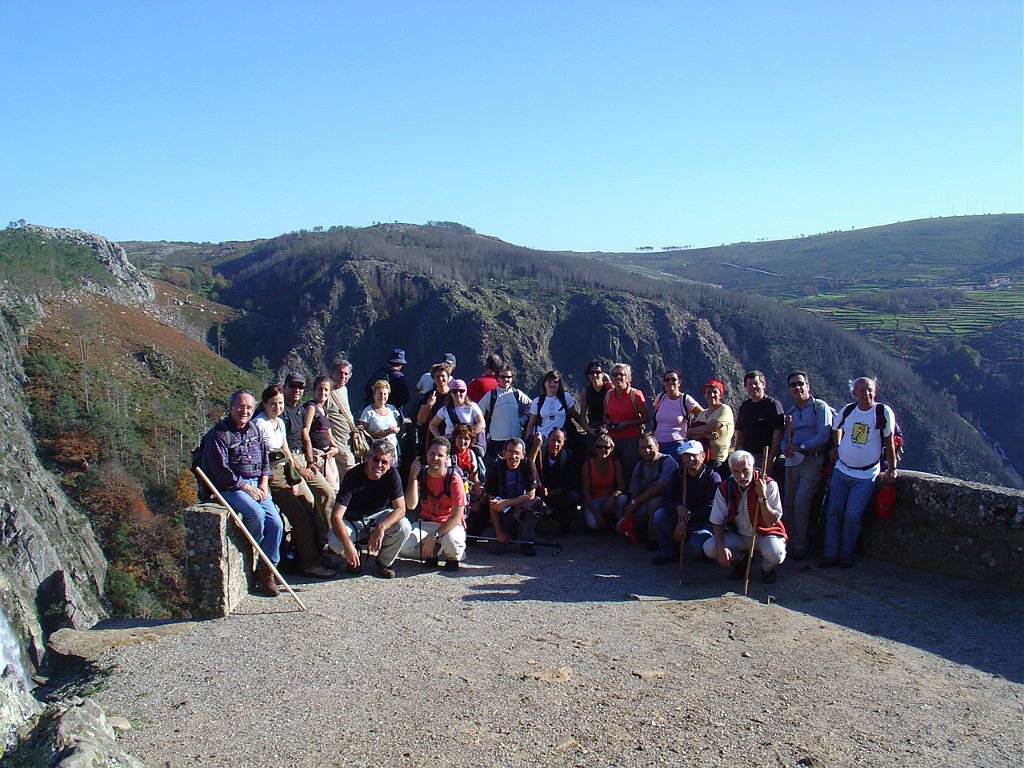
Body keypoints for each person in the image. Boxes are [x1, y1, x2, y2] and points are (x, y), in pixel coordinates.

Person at [202, 389, 284, 596]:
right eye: (240, 406)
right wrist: (245, 487)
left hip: (257, 483)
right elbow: (221, 471)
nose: (244, 411)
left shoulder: (254, 430)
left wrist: (263, 483)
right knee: (255, 514)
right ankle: (254, 553)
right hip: (230, 487)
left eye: (248, 407)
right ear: (231, 408)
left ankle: (267, 569)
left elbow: (266, 461)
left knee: (276, 523)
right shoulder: (219, 435)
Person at [254, 385, 335, 579]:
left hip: (285, 468)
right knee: (299, 516)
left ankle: (313, 554)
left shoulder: (278, 423)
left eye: (280, 403)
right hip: (271, 473)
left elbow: (286, 451)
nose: (277, 407)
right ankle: (310, 564)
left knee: (309, 507)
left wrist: (296, 474)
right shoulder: (259, 424)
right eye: (273, 404)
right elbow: (259, 456)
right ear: (264, 404)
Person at [820, 377, 898, 569]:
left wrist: (892, 467)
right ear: (854, 393)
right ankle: (830, 553)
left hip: (865, 474)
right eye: (861, 390)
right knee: (833, 512)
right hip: (841, 469)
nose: (866, 394)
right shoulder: (848, 410)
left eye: (869, 389)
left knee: (853, 514)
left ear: (876, 391)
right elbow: (836, 428)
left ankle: (846, 554)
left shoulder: (882, 412)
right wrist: (836, 447)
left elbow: (889, 442)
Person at [327, 439, 412, 579]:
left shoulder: (392, 475)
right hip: (353, 520)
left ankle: (384, 561)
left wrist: (382, 527)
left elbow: (401, 509)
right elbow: (336, 515)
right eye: (376, 459)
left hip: (379, 518)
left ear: (390, 465)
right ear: (368, 458)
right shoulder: (353, 475)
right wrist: (348, 545)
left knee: (404, 526)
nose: (379, 465)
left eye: (384, 462)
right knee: (335, 541)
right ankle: (353, 557)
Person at [703, 450, 787, 584]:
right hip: (737, 534)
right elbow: (717, 521)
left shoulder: (769, 485)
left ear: (753, 468)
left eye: (745, 470)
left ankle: (767, 569)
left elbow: (771, 521)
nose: (741, 476)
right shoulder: (725, 487)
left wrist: (762, 497)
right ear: (731, 471)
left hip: (764, 534)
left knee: (776, 553)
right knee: (710, 547)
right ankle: (742, 561)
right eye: (736, 471)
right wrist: (721, 547)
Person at [779, 370, 833, 560]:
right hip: (793, 462)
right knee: (788, 501)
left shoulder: (820, 408)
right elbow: (785, 438)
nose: (797, 388)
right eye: (793, 385)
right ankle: (787, 542)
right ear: (789, 389)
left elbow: (823, 436)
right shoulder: (791, 413)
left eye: (800, 384)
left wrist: (801, 447)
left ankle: (800, 546)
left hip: (812, 460)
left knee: (801, 502)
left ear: (808, 386)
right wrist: (785, 448)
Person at [281, 372, 335, 540]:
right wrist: (300, 468)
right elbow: (283, 445)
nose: (297, 390)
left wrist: (310, 461)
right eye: (293, 386)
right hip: (289, 462)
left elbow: (305, 436)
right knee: (309, 500)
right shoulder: (283, 412)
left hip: (305, 458)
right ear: (285, 388)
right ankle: (315, 542)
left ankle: (331, 537)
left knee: (328, 493)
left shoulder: (299, 410)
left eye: (300, 387)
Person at [401, 437, 466, 571]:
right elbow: (411, 505)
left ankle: (452, 557)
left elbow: (456, 517)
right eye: (432, 453)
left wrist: (434, 536)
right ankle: (433, 552)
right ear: (427, 454)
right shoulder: (422, 474)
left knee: (452, 543)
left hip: (450, 524)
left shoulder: (453, 478)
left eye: (440, 455)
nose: (435, 458)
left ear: (446, 458)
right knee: (404, 545)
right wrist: (413, 476)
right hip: (427, 522)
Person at [653, 439, 721, 565]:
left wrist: (685, 521)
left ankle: (704, 557)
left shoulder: (712, 477)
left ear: (703, 456)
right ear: (683, 458)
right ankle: (669, 552)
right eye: (687, 455)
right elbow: (667, 498)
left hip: (703, 521)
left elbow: (710, 507)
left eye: (694, 455)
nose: (691, 459)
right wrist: (678, 507)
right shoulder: (678, 474)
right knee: (659, 515)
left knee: (696, 547)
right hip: (682, 516)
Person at [483, 438, 541, 555]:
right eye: (510, 451)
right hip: (504, 512)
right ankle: (507, 532)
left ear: (523, 455)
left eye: (517, 453)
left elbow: (530, 496)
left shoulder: (528, 465)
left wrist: (507, 502)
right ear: (504, 453)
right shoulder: (496, 468)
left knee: (533, 505)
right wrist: (499, 532)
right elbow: (491, 502)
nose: (513, 456)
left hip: (522, 510)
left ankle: (526, 540)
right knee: (496, 549)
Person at [621, 433, 678, 548]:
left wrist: (635, 502)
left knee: (654, 504)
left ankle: (655, 540)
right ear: (638, 450)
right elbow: (635, 492)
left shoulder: (667, 462)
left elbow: (660, 487)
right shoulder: (639, 466)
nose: (647, 450)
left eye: (650, 447)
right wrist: (630, 509)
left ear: (657, 447)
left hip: (668, 502)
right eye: (643, 448)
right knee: (621, 525)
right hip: (645, 501)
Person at [524, 369, 592, 463]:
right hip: (542, 439)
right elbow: (531, 424)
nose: (552, 384)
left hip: (559, 440)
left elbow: (576, 416)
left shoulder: (565, 397)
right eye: (550, 381)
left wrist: (589, 429)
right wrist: (528, 442)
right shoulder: (537, 401)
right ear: (544, 383)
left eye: (555, 382)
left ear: (559, 384)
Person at [603, 363, 649, 481]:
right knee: (613, 469)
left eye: (621, 374)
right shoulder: (608, 395)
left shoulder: (636, 395)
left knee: (630, 470)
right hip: (612, 440)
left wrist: (627, 424)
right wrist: (608, 422)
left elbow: (645, 418)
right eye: (614, 374)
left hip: (631, 439)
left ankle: (632, 496)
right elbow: (605, 416)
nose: (618, 377)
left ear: (628, 377)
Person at [479, 366, 532, 466]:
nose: (505, 379)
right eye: (502, 377)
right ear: (497, 378)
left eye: (508, 377)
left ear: (512, 378)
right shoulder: (491, 395)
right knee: (497, 471)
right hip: (497, 441)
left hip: (516, 439)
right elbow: (477, 413)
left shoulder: (517, 393)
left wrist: (522, 420)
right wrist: (486, 434)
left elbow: (531, 406)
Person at [734, 370, 785, 471]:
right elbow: (740, 431)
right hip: (746, 454)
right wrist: (736, 452)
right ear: (745, 387)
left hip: (763, 456)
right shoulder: (745, 406)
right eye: (749, 384)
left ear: (763, 385)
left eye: (756, 383)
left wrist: (769, 460)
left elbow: (778, 434)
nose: (753, 387)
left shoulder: (772, 405)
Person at [652, 369, 703, 465]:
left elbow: (702, 415)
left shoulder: (685, 399)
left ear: (679, 382)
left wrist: (698, 432)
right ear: (664, 383)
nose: (670, 382)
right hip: (658, 445)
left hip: (676, 445)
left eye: (673, 379)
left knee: (672, 473)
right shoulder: (660, 397)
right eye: (667, 380)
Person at [535, 427, 581, 531]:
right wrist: (540, 488)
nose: (555, 444)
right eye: (552, 440)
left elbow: (570, 482)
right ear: (548, 440)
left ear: (564, 443)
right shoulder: (540, 453)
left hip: (558, 494)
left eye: (559, 441)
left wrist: (551, 492)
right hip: (540, 494)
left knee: (573, 496)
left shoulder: (568, 455)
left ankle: (562, 519)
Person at [580, 434, 628, 531]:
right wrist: (595, 513)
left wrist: (612, 498)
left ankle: (614, 522)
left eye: (606, 447)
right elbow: (585, 492)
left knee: (623, 498)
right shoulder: (588, 465)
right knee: (593, 524)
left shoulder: (615, 463)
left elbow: (622, 486)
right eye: (600, 447)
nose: (603, 449)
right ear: (595, 449)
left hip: (609, 498)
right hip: (594, 499)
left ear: (611, 449)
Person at [302, 375, 341, 492]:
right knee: (331, 490)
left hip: (328, 454)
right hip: (317, 455)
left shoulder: (323, 409)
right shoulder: (311, 408)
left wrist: (335, 448)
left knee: (336, 488)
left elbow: (329, 434)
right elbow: (305, 433)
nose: (323, 392)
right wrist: (310, 457)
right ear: (314, 389)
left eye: (326, 390)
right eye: (320, 389)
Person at [687, 379, 735, 473]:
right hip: (700, 458)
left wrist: (692, 431)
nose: (712, 395)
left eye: (715, 392)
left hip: (717, 460)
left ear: (720, 395)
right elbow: (691, 437)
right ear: (705, 395)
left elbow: (711, 427)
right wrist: (705, 435)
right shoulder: (701, 414)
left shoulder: (724, 409)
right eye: (709, 392)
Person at [429, 378, 486, 449]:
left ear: (466, 392)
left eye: (461, 391)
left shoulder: (472, 406)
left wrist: (468, 436)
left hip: (467, 446)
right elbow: (432, 425)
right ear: (450, 393)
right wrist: (441, 438)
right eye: (454, 391)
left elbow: (481, 424)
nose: (458, 394)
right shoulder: (445, 409)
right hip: (451, 445)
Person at [326, 357, 357, 482]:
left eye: (346, 374)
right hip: (337, 444)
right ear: (332, 373)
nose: (343, 376)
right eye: (340, 373)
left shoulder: (343, 389)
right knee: (351, 476)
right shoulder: (327, 392)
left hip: (347, 442)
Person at [449, 424, 487, 525]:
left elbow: (474, 479)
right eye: (460, 437)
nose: (462, 441)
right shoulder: (448, 454)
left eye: (466, 438)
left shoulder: (471, 454)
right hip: (450, 494)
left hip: (467, 492)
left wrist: (483, 495)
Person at [358, 379, 403, 460]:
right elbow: (362, 434)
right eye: (380, 393)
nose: (382, 397)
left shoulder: (392, 409)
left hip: (392, 449)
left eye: (385, 394)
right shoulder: (368, 412)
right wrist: (385, 433)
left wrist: (397, 429)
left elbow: (400, 426)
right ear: (374, 395)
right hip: (375, 450)